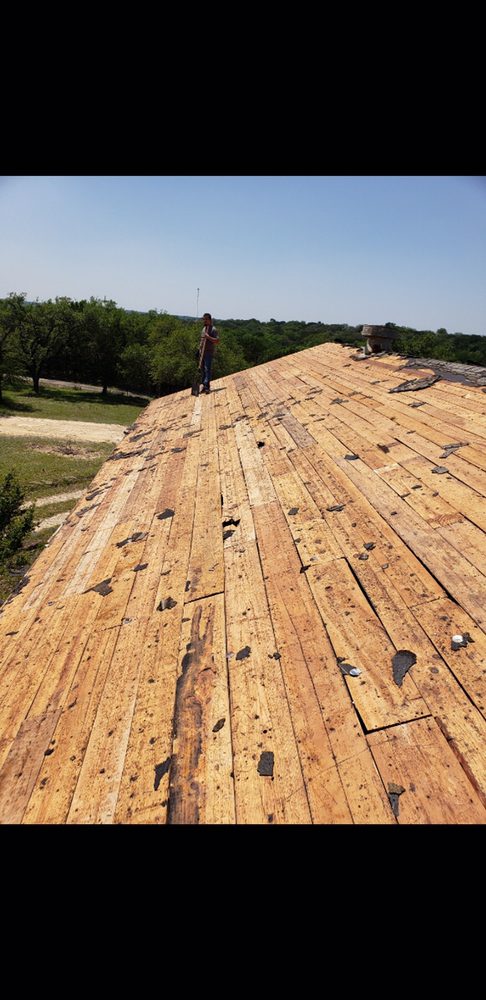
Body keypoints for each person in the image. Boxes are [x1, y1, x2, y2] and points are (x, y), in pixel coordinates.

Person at [199, 312, 219, 393]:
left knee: (207, 369)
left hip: (208, 353)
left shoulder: (213, 329)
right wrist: (199, 350)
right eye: (203, 319)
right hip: (202, 353)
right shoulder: (204, 329)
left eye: (206, 319)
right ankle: (203, 385)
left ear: (210, 320)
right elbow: (202, 340)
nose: (204, 321)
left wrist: (208, 337)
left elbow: (217, 341)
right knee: (203, 370)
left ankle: (207, 386)